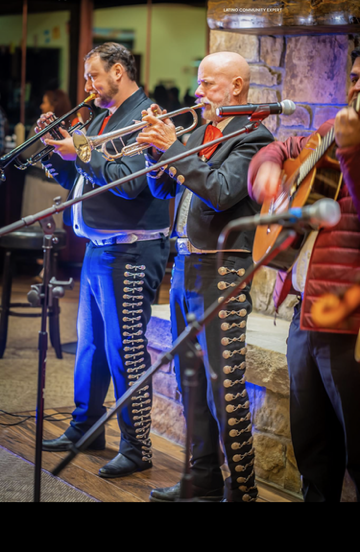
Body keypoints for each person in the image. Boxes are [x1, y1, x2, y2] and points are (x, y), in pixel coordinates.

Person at [136, 51, 274, 502]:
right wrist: (158, 153)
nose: (197, 92)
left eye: (207, 84)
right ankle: (200, 480)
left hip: (222, 274)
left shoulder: (255, 137)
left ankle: (243, 491)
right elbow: (163, 188)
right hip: (183, 270)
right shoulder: (200, 131)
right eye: (198, 83)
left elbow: (219, 192)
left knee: (225, 390)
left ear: (236, 86)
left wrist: (175, 146)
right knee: (188, 380)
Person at [36, 42, 170, 479]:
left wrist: (85, 152)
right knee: (91, 348)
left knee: (124, 352)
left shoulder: (147, 117)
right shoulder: (103, 117)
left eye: (94, 76)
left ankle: (136, 448)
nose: (88, 85)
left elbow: (130, 185)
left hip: (131, 250)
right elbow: (83, 178)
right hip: (99, 248)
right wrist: (58, 156)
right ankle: (85, 429)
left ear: (118, 71)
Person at [247, 47, 360, 502]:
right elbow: (281, 147)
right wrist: (268, 168)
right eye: (354, 76)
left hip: (348, 319)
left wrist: (351, 151)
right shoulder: (331, 130)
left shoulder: (346, 138)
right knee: (312, 444)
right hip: (303, 310)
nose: (356, 86)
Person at [20, 89, 72, 231]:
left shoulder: (41, 125)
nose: (41, 107)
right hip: (59, 187)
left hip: (38, 183)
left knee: (33, 229)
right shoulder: (71, 125)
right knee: (53, 230)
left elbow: (26, 153)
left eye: (44, 103)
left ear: (54, 106)